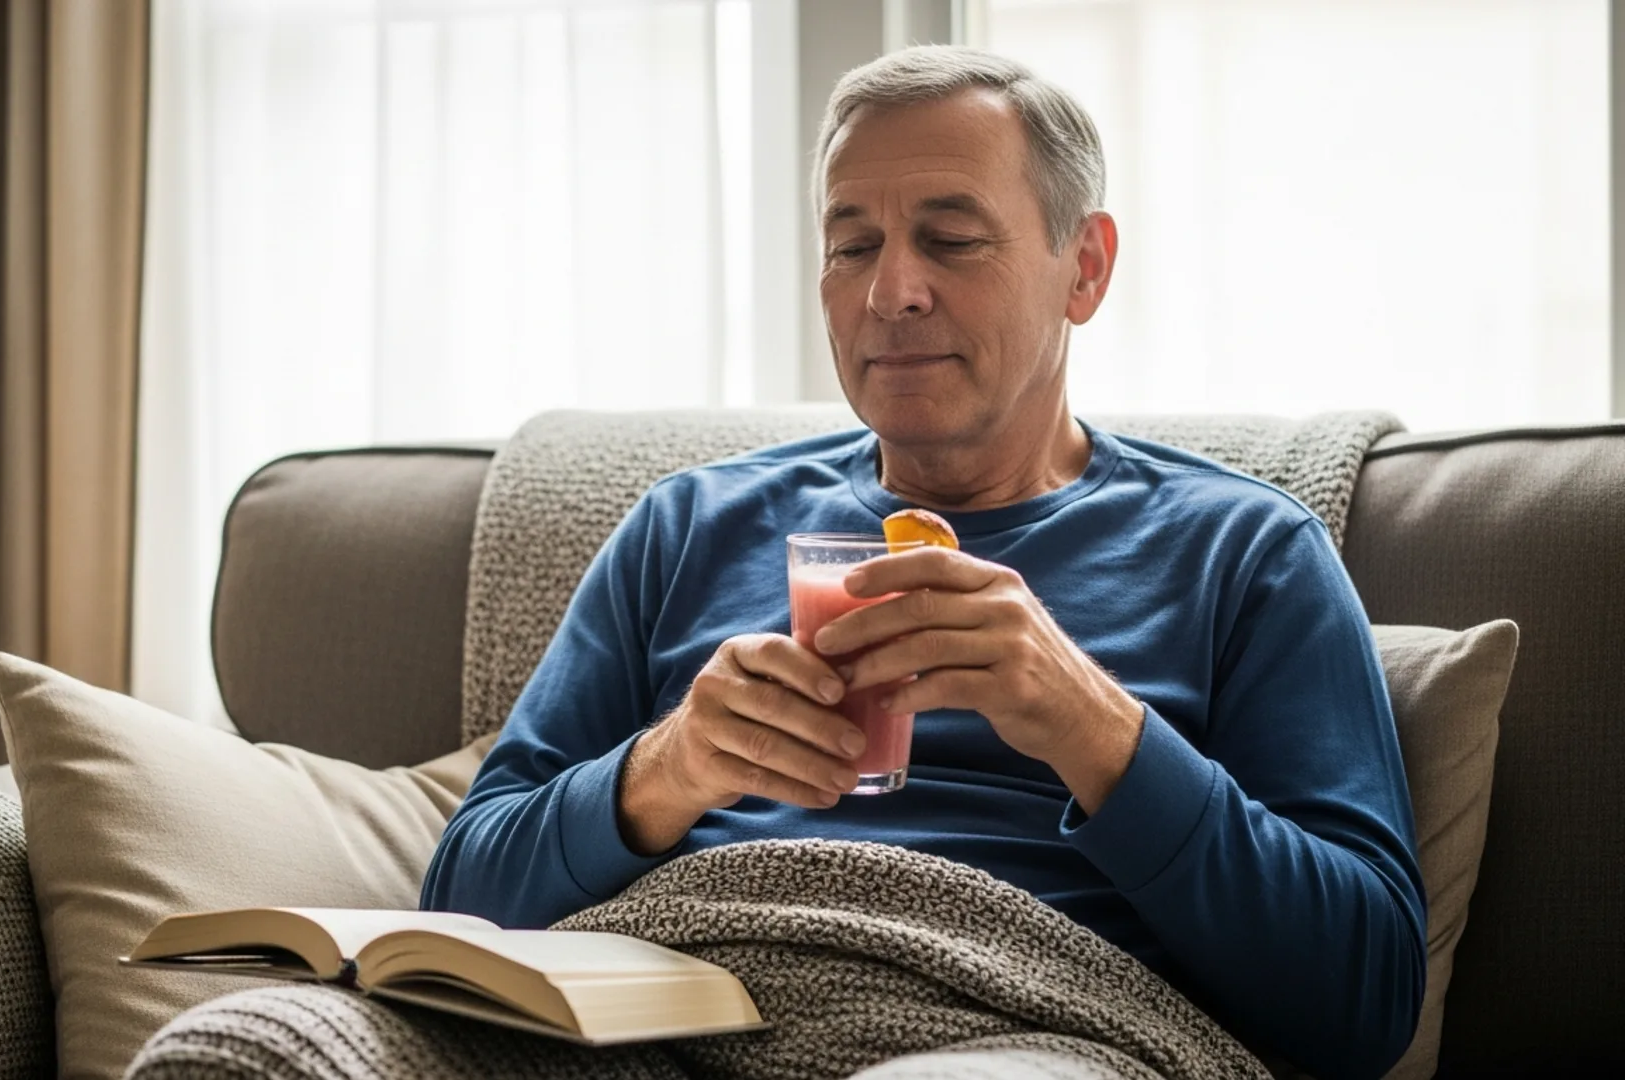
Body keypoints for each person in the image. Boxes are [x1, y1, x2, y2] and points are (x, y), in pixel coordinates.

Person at [420, 45, 1425, 1080]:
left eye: (950, 240)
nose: (891, 291)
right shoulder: (688, 525)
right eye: (851, 247)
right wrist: (665, 770)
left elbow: (1362, 1003)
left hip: (1018, 1025)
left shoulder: (1246, 553)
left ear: (1084, 268)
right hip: (665, 1007)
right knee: (275, 1044)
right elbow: (458, 900)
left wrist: (1090, 723)